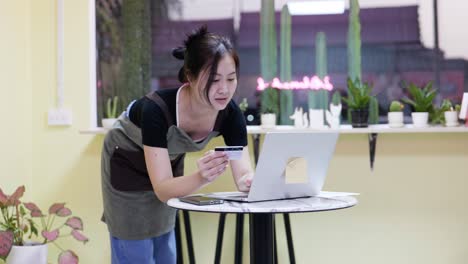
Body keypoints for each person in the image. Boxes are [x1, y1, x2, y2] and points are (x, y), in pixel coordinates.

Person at [100, 25, 254, 264]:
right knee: (135, 250)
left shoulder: (230, 113)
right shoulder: (156, 110)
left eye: (231, 79)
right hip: (126, 160)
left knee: (165, 250)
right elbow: (162, 189)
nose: (224, 89)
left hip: (166, 164)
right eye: (214, 80)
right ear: (190, 77)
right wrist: (202, 176)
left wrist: (251, 182)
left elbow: (243, 172)